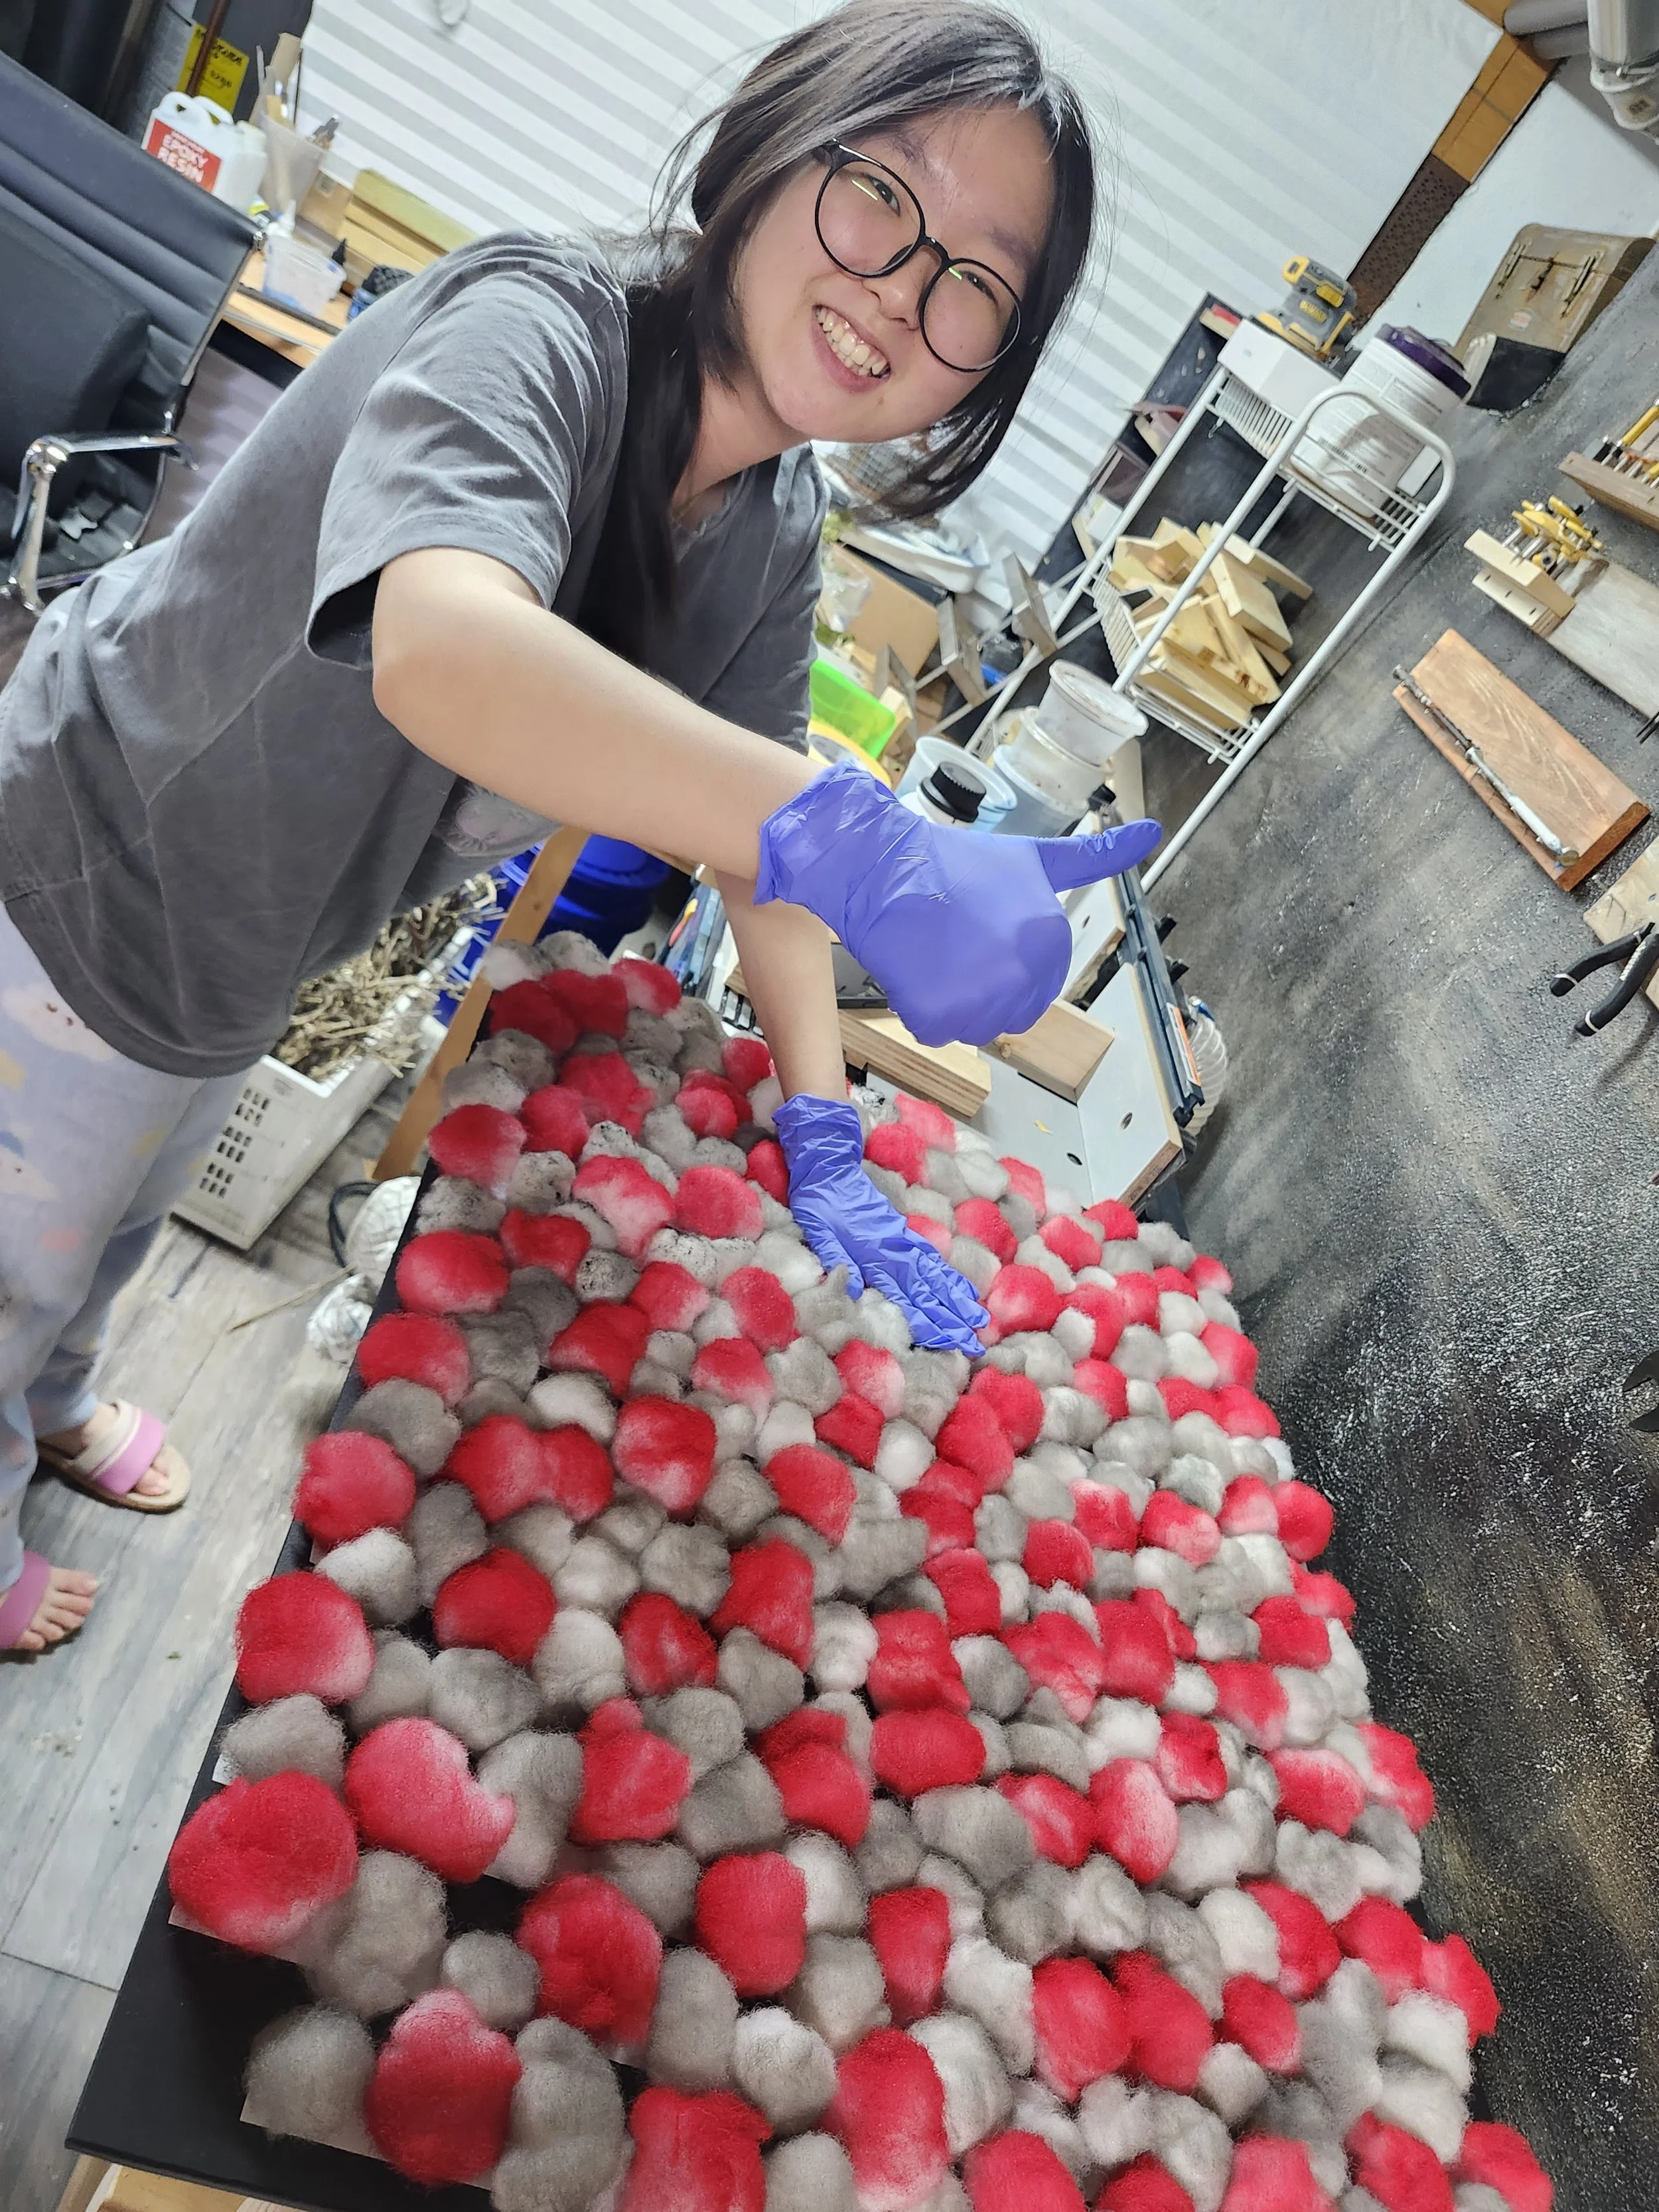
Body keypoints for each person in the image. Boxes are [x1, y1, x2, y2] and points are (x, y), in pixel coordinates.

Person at [0, 0, 1157, 1655]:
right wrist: (865, 835)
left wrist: (821, 1125)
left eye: (973, 283)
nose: (898, 291)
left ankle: (51, 1399)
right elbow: (444, 647)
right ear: (770, 149)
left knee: (112, 1214)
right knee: (18, 1234)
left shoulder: (769, 521)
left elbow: (757, 836)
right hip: (96, 861)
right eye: (879, 196)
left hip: (256, 934)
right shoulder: (536, 323)